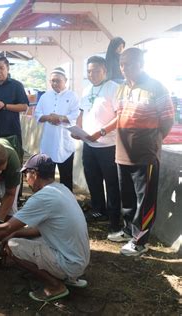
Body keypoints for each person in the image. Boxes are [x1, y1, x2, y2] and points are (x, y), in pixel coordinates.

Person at [0, 154, 90, 302]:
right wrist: (15, 233)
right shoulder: (62, 189)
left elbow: (5, 229)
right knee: (21, 238)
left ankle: (55, 285)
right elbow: (38, 231)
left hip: (69, 263)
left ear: (34, 173)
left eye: (26, 174)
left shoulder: (42, 198)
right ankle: (69, 277)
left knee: (13, 246)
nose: (26, 179)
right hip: (80, 260)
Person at [108, 48, 174, 256]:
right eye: (122, 64)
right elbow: (118, 116)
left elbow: (167, 121)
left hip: (145, 154)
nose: (124, 68)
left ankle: (140, 241)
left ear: (140, 64)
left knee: (144, 199)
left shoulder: (157, 88)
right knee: (126, 196)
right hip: (122, 152)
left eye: (129, 64)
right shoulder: (120, 89)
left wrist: (151, 141)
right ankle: (129, 230)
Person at [77, 56, 121, 234]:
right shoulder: (86, 90)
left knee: (111, 184)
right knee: (93, 181)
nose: (91, 74)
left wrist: (101, 132)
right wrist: (78, 129)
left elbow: (120, 116)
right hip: (89, 145)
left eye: (95, 70)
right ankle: (98, 211)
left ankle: (114, 219)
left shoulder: (114, 89)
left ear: (105, 71)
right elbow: (82, 113)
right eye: (88, 71)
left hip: (108, 146)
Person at [34, 67, 80, 191]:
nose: (54, 83)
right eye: (52, 81)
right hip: (48, 143)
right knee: (46, 177)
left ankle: (67, 203)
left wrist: (60, 118)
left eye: (58, 81)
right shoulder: (45, 96)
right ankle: (48, 200)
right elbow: (37, 114)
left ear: (65, 80)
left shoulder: (73, 96)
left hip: (65, 143)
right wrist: (48, 117)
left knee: (66, 178)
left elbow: (76, 115)